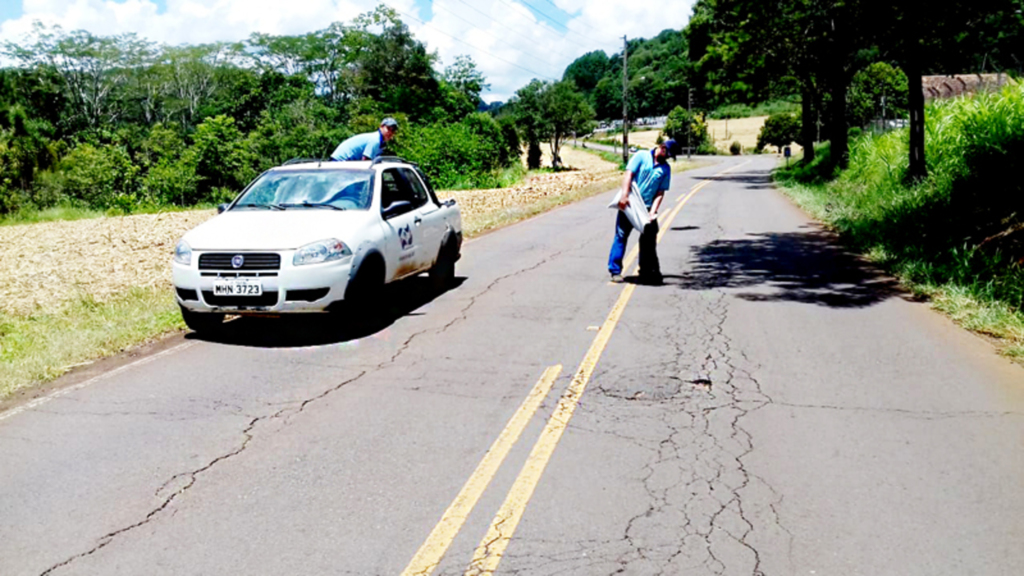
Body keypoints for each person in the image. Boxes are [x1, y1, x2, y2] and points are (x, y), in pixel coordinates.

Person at [608, 143, 671, 284]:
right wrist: (624, 196)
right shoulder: (641, 156)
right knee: (621, 235)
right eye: (666, 153)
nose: (667, 157)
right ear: (662, 147)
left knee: (649, 239)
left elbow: (660, 192)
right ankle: (615, 270)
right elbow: (628, 175)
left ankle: (646, 270)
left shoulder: (666, 168)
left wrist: (653, 212)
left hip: (647, 207)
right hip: (631, 202)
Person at [330, 117, 398, 161]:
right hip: (341, 160)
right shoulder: (375, 140)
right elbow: (365, 161)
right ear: (381, 127)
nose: (390, 132)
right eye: (388, 128)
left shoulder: (381, 144)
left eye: (393, 130)